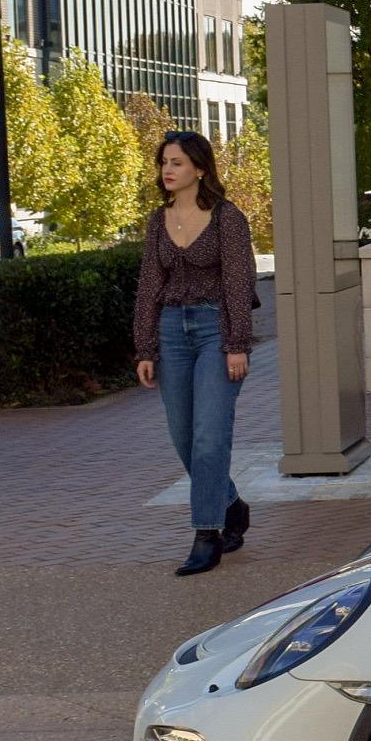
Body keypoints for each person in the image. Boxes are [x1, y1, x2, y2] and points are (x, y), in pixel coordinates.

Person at [134, 130, 257, 577]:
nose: (168, 170)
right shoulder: (156, 221)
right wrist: (144, 347)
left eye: (178, 163)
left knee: (209, 438)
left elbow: (239, 284)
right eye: (164, 162)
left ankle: (208, 534)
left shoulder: (227, 218)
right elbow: (149, 286)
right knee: (184, 439)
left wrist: (236, 344)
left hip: (214, 331)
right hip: (171, 333)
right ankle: (230, 503)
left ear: (200, 169)